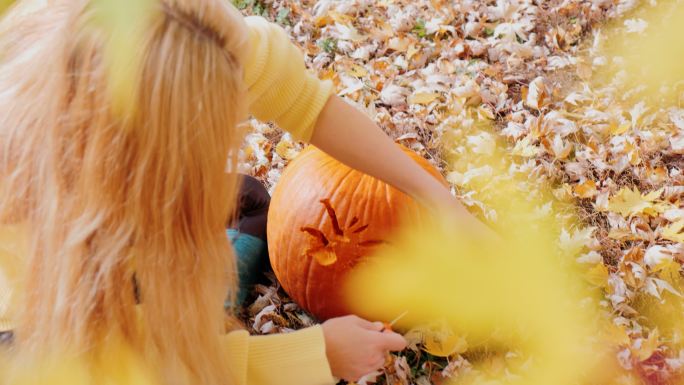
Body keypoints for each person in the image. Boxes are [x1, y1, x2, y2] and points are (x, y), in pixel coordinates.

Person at [0, 0, 493, 384]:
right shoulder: (28, 279)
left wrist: (437, 200)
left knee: (250, 200)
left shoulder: (193, 34)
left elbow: (306, 103)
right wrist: (312, 355)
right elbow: (153, 369)